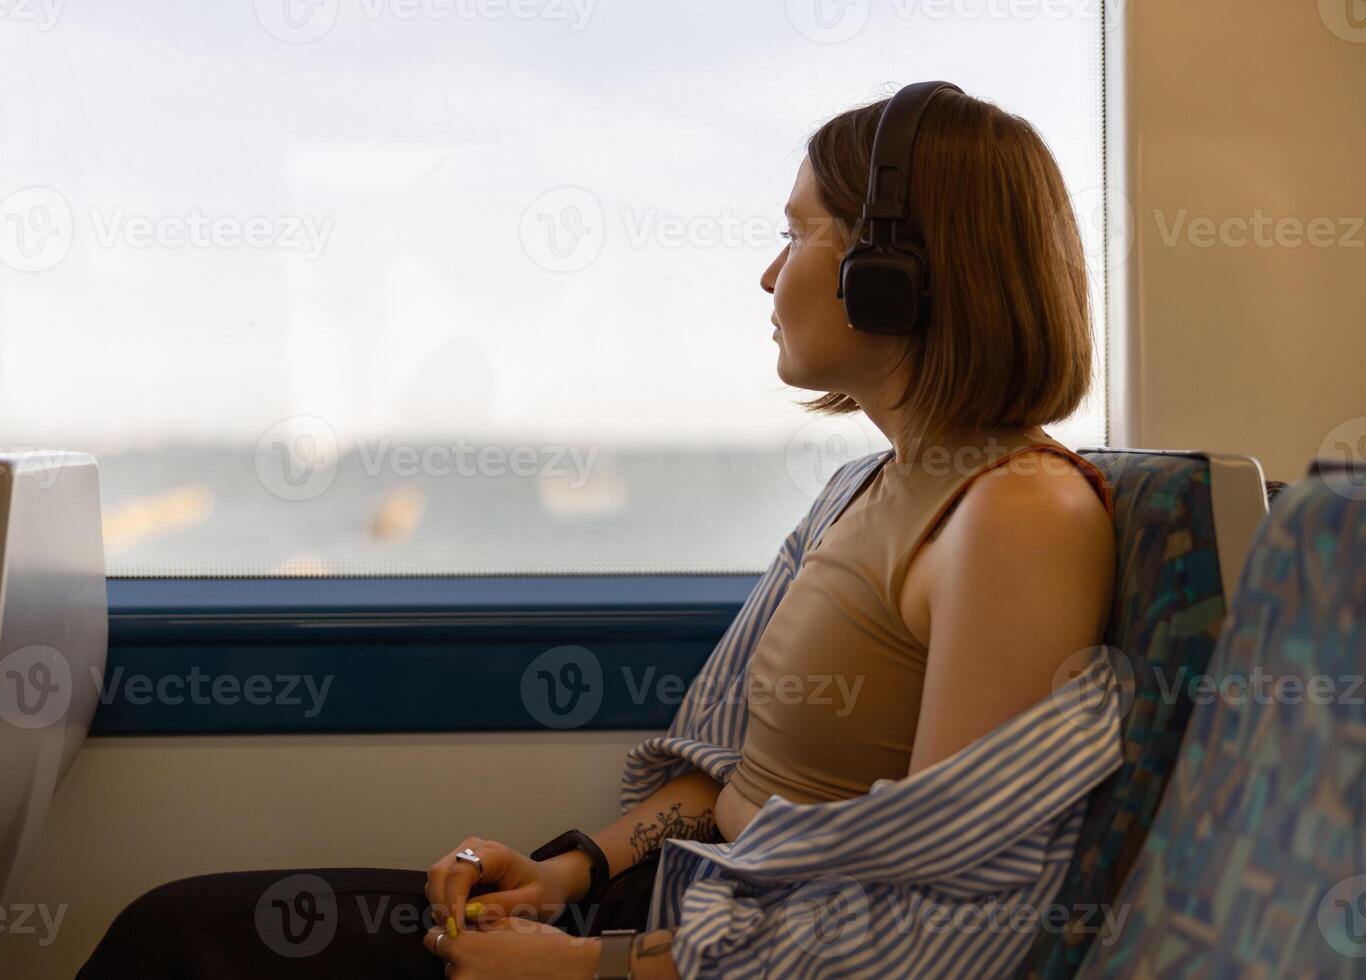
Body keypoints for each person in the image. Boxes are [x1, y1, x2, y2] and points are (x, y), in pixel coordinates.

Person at [77, 83, 1118, 979]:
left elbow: (937, 916)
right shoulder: (866, 484)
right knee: (177, 928)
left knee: (181, 946)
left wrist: (588, 962)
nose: (768, 274)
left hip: (702, 953)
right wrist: (567, 870)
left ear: (894, 275)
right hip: (673, 920)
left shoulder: (1018, 516)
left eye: (798, 233)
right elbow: (728, 776)